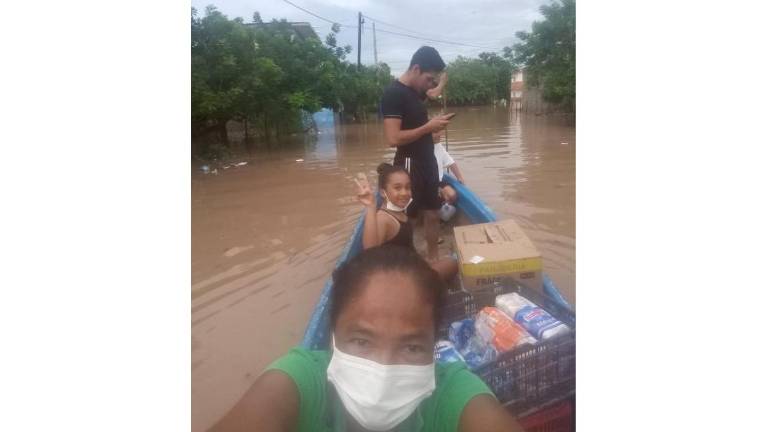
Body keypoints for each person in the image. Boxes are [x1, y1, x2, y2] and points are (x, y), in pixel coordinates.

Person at [210, 245, 524, 432]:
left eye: (412, 347)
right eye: (362, 341)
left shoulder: (452, 393)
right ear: (332, 336)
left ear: (434, 347)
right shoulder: (301, 381)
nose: (383, 370)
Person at [380, 46, 453, 262]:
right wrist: (427, 128)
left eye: (433, 81)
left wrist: (441, 83)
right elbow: (393, 138)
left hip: (428, 160)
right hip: (410, 163)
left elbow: (432, 93)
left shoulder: (416, 92)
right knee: (407, 216)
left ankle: (433, 259)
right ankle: (407, 260)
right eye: (429, 79)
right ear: (416, 69)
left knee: (432, 213)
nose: (430, 86)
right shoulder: (394, 94)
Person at [354, 163, 457, 281]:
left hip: (409, 267)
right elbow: (370, 251)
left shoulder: (398, 211)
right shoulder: (384, 218)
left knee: (449, 263)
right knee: (453, 263)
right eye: (397, 188)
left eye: (408, 187)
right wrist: (371, 207)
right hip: (403, 279)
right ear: (383, 192)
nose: (404, 193)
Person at [431, 129, 466, 205]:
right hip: (426, 183)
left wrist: (459, 177)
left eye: (439, 134)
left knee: (452, 195)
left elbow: (451, 162)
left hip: (438, 182)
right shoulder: (422, 148)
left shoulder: (439, 147)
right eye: (436, 133)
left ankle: (443, 207)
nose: (439, 136)